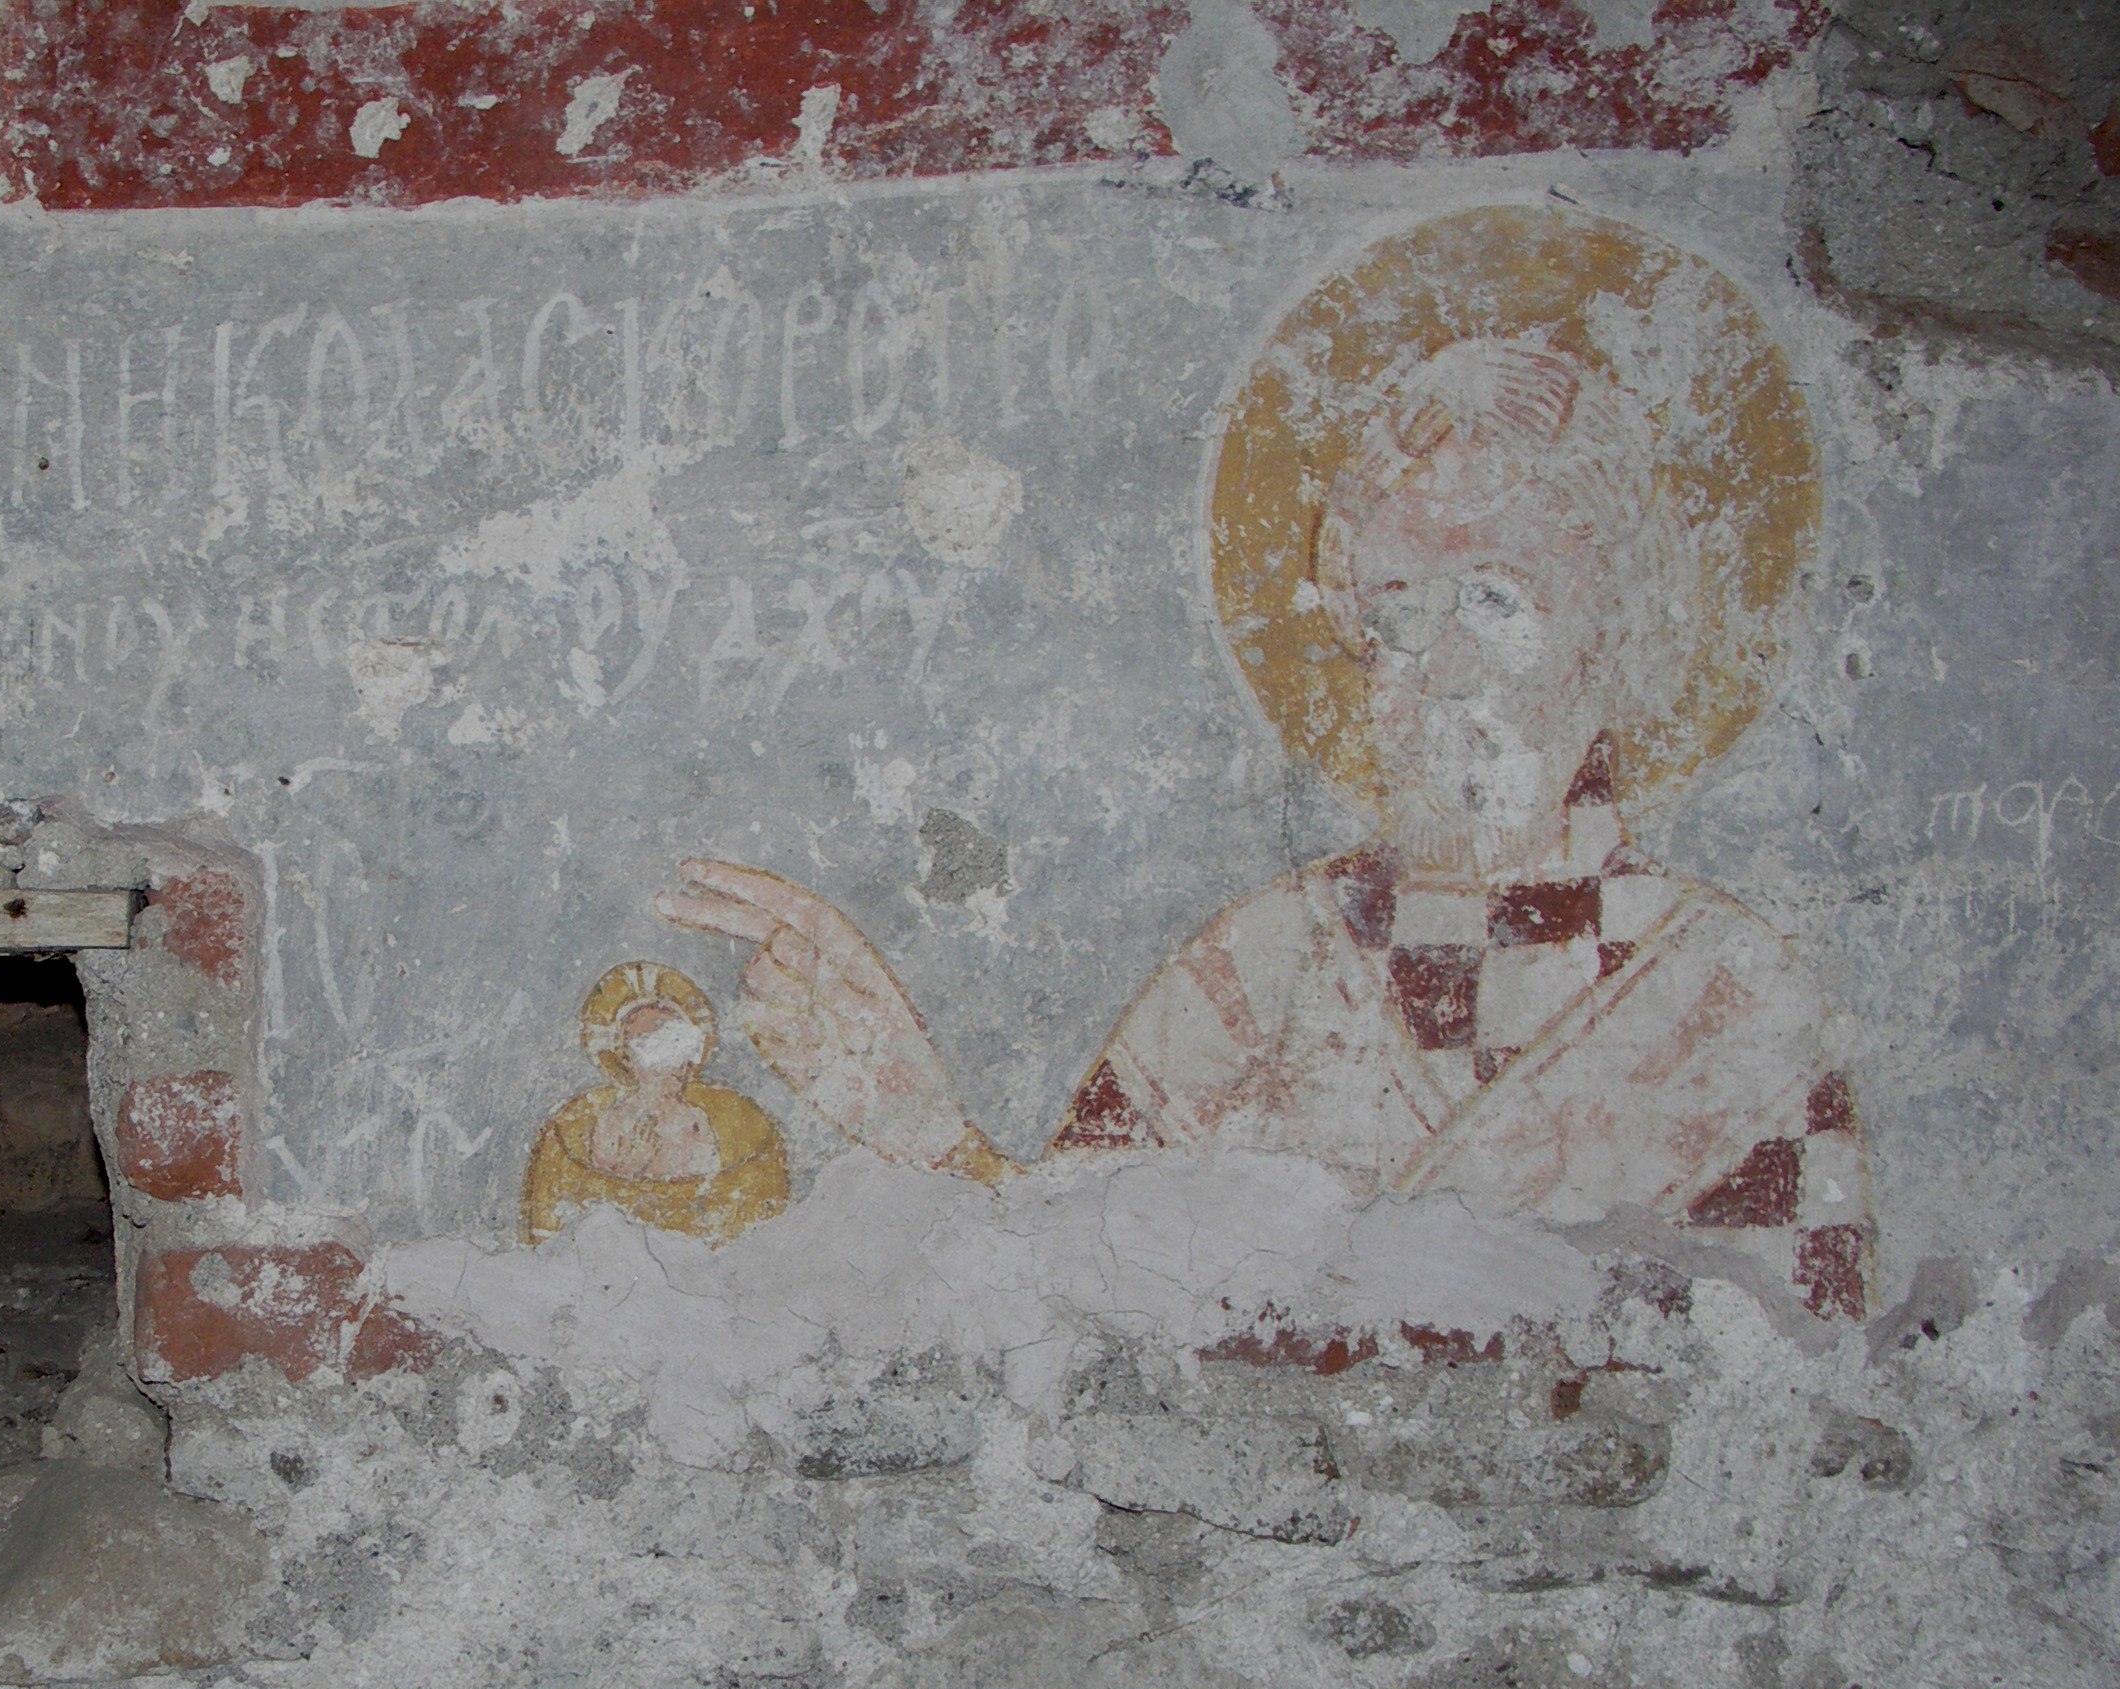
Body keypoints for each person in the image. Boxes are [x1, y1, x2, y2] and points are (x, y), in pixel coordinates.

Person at [660, 325, 1871, 1320]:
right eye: (1395, 609)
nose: (1437, 665)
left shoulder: (1726, 1001)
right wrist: (925, 1127)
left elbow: (1798, 1402)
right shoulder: (1253, 971)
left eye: (1495, 602)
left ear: (1611, 630)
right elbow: (1074, 1304)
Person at [522, 961, 791, 1246]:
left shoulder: (698, 1118)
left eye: (681, 1047)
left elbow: (716, 1190)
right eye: (656, 1050)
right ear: (627, 1058)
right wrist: (629, 1167)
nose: (675, 1065)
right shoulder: (614, 1121)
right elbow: (596, 1199)